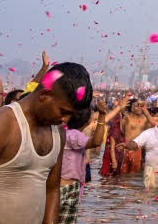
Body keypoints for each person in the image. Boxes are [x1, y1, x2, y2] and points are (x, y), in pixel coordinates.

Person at [0, 62, 93, 224]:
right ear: (45, 95)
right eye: (64, 111)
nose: (65, 120)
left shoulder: (58, 132)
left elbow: (52, 191)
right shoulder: (0, 126)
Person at [59, 95, 124, 224]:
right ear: (86, 120)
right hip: (67, 187)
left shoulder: (64, 132)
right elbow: (97, 141)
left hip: (65, 185)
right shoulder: (73, 135)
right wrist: (101, 114)